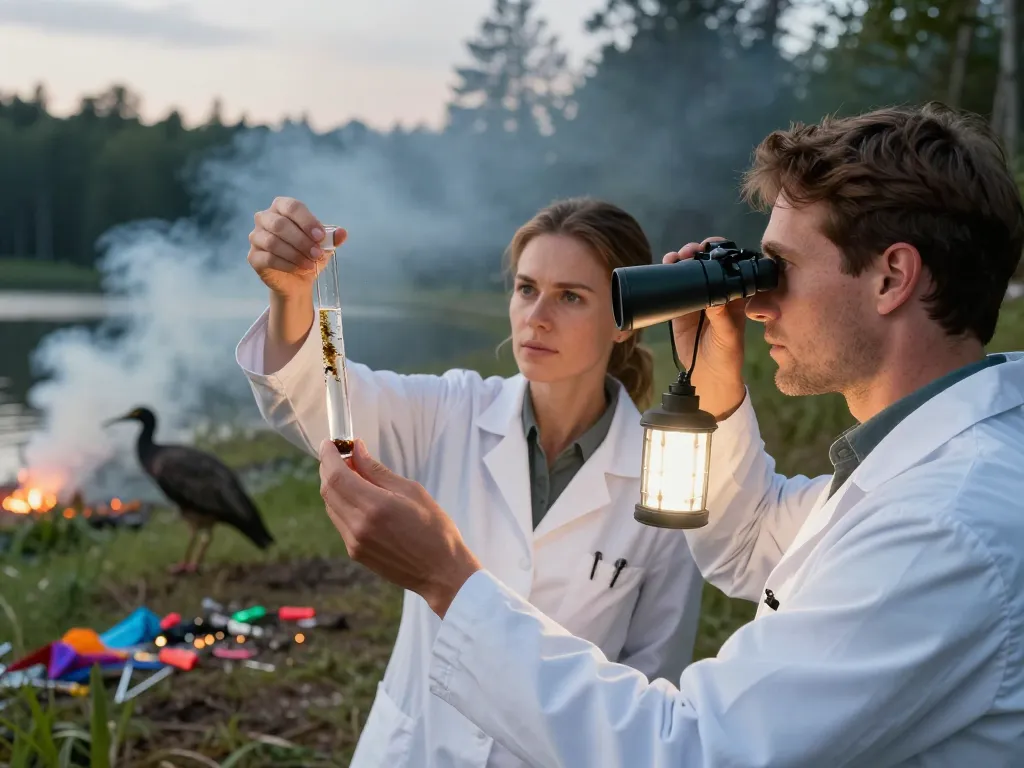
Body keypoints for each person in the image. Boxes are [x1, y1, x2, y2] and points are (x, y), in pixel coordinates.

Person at [316, 101, 1024, 766]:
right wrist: (714, 377)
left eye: (785, 268)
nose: (761, 301)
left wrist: (449, 580)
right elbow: (748, 542)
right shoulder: (917, 470)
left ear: (892, 276)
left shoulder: (943, 524)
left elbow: (690, 749)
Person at [235, 196, 705, 767]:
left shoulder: (667, 480)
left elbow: (650, 693)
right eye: (527, 288)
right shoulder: (451, 412)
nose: (537, 316)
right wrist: (290, 296)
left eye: (571, 297)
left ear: (626, 323)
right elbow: (313, 401)